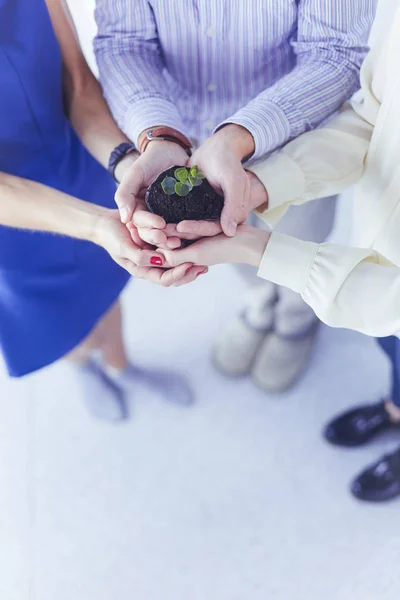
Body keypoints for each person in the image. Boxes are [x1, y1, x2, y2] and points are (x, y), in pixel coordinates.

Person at [160, 0, 400, 502]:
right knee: (392, 350)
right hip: (381, 251)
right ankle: (395, 406)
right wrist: (260, 184)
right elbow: (373, 120)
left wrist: (261, 250)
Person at [94, 0, 375, 393]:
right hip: (183, 134)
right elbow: (123, 42)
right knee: (228, 240)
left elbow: (335, 52)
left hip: (300, 139)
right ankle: (261, 304)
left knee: (301, 235)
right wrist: (160, 134)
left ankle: (296, 319)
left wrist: (239, 135)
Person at [0, 0, 199, 422]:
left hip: (80, 166)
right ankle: (82, 366)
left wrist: (128, 166)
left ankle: (121, 365)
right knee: (54, 313)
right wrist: (95, 224)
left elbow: (80, 89)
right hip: (15, 222)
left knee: (105, 287)